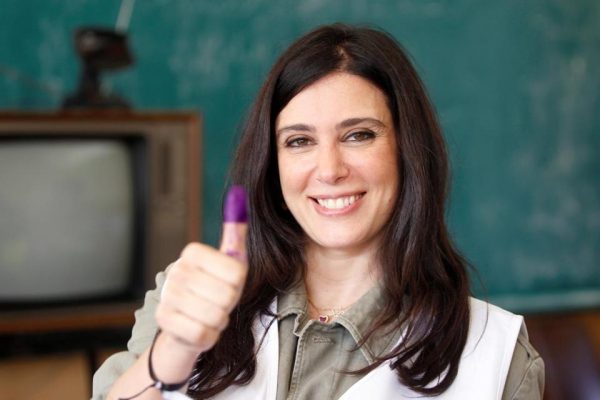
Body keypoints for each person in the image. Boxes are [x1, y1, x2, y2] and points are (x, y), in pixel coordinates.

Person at [93, 23, 544, 400]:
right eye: (299, 141)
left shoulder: (496, 356)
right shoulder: (185, 299)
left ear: (408, 150)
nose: (329, 170)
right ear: (273, 165)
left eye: (359, 135)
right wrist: (171, 352)